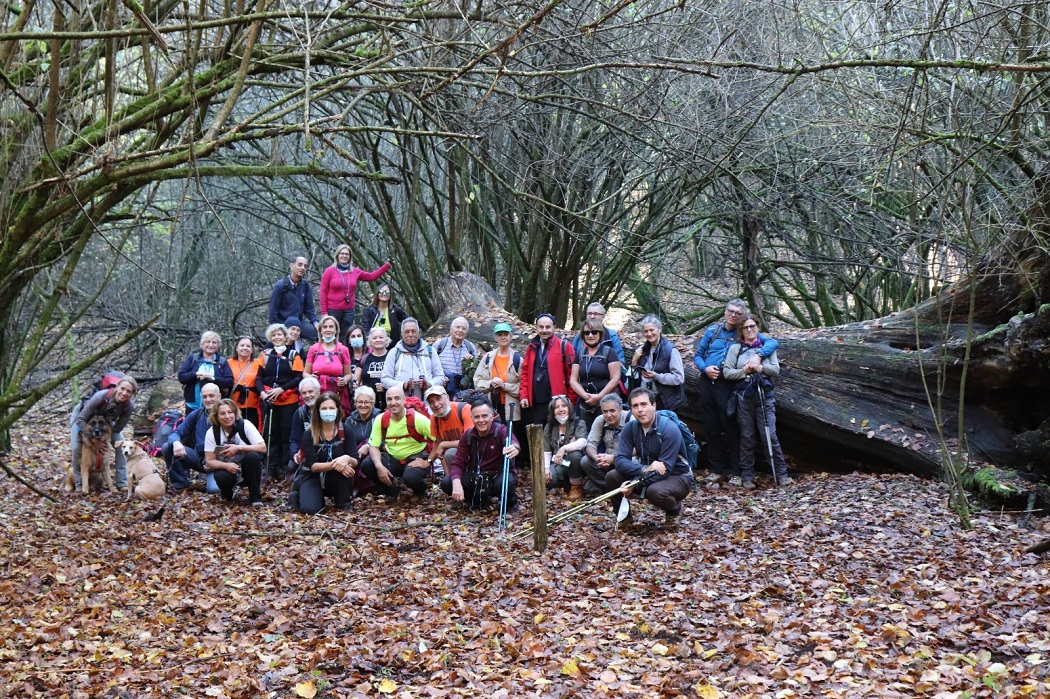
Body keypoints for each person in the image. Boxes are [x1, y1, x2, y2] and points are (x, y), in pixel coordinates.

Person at [694, 299, 779, 486]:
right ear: (725, 312)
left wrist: (758, 355)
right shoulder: (712, 332)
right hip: (708, 381)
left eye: (737, 313)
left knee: (731, 426)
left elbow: (772, 343)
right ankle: (716, 469)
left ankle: (736, 471)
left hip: (729, 384)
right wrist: (704, 368)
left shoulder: (744, 332)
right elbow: (698, 355)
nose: (733, 315)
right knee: (711, 427)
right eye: (730, 311)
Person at [722, 315, 791, 488]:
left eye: (752, 326)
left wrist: (761, 368)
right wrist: (744, 371)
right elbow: (727, 372)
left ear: (757, 327)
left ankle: (781, 474)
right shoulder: (735, 349)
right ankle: (747, 476)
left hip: (764, 396)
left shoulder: (766, 348)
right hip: (743, 397)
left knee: (769, 434)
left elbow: (775, 370)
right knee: (746, 436)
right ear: (741, 330)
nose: (749, 330)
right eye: (745, 327)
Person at [607, 388, 692, 529]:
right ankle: (624, 518)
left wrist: (634, 483)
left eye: (644, 404)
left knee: (655, 492)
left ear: (654, 405)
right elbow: (620, 460)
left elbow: (665, 470)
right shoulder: (630, 428)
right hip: (648, 472)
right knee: (612, 476)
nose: (640, 410)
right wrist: (644, 469)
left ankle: (674, 511)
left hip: (678, 476)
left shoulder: (669, 429)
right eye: (635, 406)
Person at [440, 398, 521, 512]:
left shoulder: (501, 430)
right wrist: (457, 483)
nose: (481, 420)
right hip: (477, 477)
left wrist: (515, 448)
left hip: (496, 477)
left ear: (492, 416)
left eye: (484, 416)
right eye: (477, 417)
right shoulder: (467, 436)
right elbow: (457, 462)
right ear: (471, 418)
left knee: (505, 481)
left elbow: (512, 441)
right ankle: (479, 500)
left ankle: (510, 503)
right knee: (447, 482)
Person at [255, 323, 305, 480]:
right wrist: (262, 393)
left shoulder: (294, 355)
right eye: (274, 335)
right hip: (269, 399)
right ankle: (270, 467)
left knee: (286, 433)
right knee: (271, 433)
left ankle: (285, 467)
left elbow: (298, 378)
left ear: (286, 337)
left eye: (280, 335)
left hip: (288, 399)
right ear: (271, 338)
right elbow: (258, 377)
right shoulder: (265, 355)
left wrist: (281, 389)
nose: (277, 338)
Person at [70, 376, 138, 490]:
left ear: (132, 394)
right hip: (83, 417)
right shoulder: (100, 396)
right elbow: (81, 419)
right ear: (116, 387)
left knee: (121, 444)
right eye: (122, 389)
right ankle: (79, 484)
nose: (124, 393)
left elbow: (117, 428)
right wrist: (94, 440)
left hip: (103, 422)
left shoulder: (128, 406)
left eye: (128, 391)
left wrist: (104, 439)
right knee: (76, 448)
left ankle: (122, 482)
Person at [366, 385, 434, 499]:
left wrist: (428, 461)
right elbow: (373, 446)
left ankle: (421, 490)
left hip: (416, 457)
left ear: (404, 400)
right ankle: (392, 491)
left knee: (411, 477)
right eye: (389, 399)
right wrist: (379, 466)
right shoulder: (381, 419)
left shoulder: (418, 419)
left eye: (397, 398)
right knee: (367, 464)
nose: (393, 402)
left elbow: (438, 441)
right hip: (392, 458)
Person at [296, 392, 357, 514]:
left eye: (331, 408)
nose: (328, 411)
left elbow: (355, 460)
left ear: (338, 410)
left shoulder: (346, 430)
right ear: (317, 411)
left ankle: (342, 500)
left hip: (338, 477)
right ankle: (303, 495)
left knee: (344, 507)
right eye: (324, 408)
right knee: (310, 509)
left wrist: (346, 458)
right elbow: (313, 466)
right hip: (313, 476)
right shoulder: (309, 434)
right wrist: (338, 463)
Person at [203, 399, 266, 505]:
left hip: (247, 468)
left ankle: (255, 497)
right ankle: (227, 494)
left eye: (230, 412)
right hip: (227, 468)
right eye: (222, 414)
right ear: (216, 416)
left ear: (235, 413)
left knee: (253, 457)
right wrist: (226, 466)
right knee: (220, 476)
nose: (227, 416)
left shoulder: (245, 425)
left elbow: (263, 448)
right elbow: (209, 461)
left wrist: (239, 448)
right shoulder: (212, 432)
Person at [162, 383, 222, 493]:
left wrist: (215, 462)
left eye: (211, 396)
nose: (208, 399)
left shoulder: (227, 415)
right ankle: (181, 485)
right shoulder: (197, 414)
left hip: (220, 461)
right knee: (168, 446)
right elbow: (176, 432)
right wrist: (176, 442)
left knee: (215, 490)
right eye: (204, 397)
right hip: (199, 459)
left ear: (219, 396)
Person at [319, 245, 391, 331]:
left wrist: (387, 265)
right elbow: (323, 292)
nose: (344, 256)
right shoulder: (329, 271)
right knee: (331, 334)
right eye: (342, 253)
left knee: (345, 336)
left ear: (350, 257)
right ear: (337, 255)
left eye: (347, 254)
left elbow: (371, 276)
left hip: (348, 310)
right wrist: (324, 313)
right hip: (332, 310)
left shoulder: (355, 271)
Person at [519, 313, 575, 425]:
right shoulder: (532, 347)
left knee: (557, 437)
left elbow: (572, 375)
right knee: (539, 437)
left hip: (558, 403)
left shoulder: (564, 346)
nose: (544, 330)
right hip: (536, 403)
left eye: (548, 327)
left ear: (554, 327)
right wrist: (524, 395)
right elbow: (525, 372)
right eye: (541, 327)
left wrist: (570, 402)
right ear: (536, 328)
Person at [570, 318, 622, 429]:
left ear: (600, 334)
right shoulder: (579, 354)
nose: (590, 335)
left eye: (594, 332)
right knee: (586, 436)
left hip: (607, 404)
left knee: (606, 437)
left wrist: (599, 397)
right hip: (585, 404)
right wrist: (585, 396)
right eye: (586, 333)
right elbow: (573, 380)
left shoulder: (609, 352)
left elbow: (615, 378)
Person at [380, 318, 445, 401]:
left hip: (428, 403)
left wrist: (430, 384)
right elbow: (385, 379)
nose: (410, 334)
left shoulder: (430, 351)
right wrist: (403, 385)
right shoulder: (394, 352)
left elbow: (441, 377)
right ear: (401, 334)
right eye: (407, 332)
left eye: (413, 331)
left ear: (419, 333)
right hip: (402, 405)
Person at [631, 315, 686, 412]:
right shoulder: (642, 350)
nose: (649, 334)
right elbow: (632, 377)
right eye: (646, 331)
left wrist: (657, 376)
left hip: (664, 401)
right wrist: (634, 362)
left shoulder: (670, 350)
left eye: (652, 330)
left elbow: (679, 378)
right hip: (645, 400)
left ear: (659, 329)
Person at [473, 322, 523, 423]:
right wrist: (491, 383)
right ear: (495, 338)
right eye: (500, 335)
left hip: (511, 409)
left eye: (506, 334)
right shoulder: (487, 358)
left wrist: (504, 386)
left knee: (509, 437)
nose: (503, 337)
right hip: (490, 407)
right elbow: (477, 382)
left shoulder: (518, 360)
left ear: (511, 336)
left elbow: (523, 387)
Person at [542, 395, 589, 501]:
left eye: (564, 406)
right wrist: (546, 468)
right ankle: (567, 484)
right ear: (553, 411)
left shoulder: (578, 423)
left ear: (569, 408)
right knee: (548, 480)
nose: (561, 409)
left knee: (574, 454)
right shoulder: (549, 427)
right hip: (559, 463)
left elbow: (583, 441)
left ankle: (576, 486)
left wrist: (564, 449)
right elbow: (547, 450)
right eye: (557, 407)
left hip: (576, 462)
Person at [581, 394, 631, 492]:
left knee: (633, 461)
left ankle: (631, 489)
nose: (608, 415)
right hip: (606, 461)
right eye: (605, 411)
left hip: (625, 459)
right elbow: (590, 444)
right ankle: (610, 489)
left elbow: (636, 449)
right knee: (585, 461)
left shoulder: (630, 419)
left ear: (620, 409)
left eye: (612, 411)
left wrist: (614, 458)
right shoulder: (600, 420)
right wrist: (597, 458)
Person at [305, 315, 354, 412]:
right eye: (325, 327)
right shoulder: (314, 349)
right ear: (320, 330)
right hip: (317, 391)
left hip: (337, 392)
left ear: (336, 330)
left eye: (331, 327)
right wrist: (310, 378)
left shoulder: (343, 350)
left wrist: (344, 380)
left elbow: (348, 374)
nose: (328, 330)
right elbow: (305, 373)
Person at [177, 331, 234, 413]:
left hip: (215, 406)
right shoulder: (193, 358)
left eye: (214, 342)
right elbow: (181, 377)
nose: (211, 345)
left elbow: (229, 382)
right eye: (208, 342)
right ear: (202, 344)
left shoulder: (222, 361)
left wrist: (212, 378)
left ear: (218, 345)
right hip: (193, 405)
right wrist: (196, 374)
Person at [268, 255, 319, 341]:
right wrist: (280, 330)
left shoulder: (305, 286)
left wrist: (315, 322)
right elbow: (272, 314)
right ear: (292, 266)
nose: (302, 268)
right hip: (282, 323)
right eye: (300, 265)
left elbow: (309, 309)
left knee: (320, 334)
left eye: (305, 266)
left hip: (299, 323)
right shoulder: (281, 286)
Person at [425, 385, 473, 474]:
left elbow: (470, 440)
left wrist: (445, 444)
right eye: (431, 402)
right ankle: (450, 480)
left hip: (472, 452)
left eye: (439, 398)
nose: (436, 404)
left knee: (449, 452)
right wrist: (428, 461)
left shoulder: (464, 409)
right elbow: (438, 443)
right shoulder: (435, 418)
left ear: (447, 397)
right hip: (451, 458)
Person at [345, 385, 380, 495]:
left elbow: (384, 439)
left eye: (367, 402)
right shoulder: (350, 420)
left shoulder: (379, 417)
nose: (363, 405)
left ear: (373, 403)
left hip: (376, 452)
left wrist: (368, 446)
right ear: (355, 403)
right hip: (355, 453)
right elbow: (345, 441)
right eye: (360, 402)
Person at [434, 316, 477, 394]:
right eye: (457, 327)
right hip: (443, 388)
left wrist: (471, 362)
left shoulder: (470, 347)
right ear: (451, 329)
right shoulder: (440, 345)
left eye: (463, 328)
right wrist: (440, 378)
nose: (460, 330)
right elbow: (430, 367)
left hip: (463, 390)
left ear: (466, 332)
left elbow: (477, 370)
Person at [288, 377, 322, 472]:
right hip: (306, 451)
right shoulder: (299, 413)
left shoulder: (328, 409)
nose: (307, 395)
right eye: (304, 393)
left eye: (310, 391)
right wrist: (295, 453)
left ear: (318, 392)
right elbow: (294, 439)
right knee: (291, 465)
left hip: (325, 450)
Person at [228, 336, 262, 427]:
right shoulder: (228, 363)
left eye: (248, 346)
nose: (245, 348)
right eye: (242, 345)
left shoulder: (259, 363)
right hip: (232, 405)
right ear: (236, 348)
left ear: (252, 350)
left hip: (253, 406)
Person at [355, 326, 390, 411]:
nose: (378, 340)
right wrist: (355, 385)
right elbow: (355, 381)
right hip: (367, 404)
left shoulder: (393, 357)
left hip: (388, 402)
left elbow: (398, 380)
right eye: (374, 338)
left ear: (386, 340)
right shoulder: (365, 358)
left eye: (381, 337)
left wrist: (386, 387)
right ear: (370, 341)